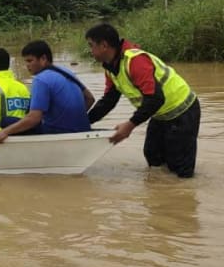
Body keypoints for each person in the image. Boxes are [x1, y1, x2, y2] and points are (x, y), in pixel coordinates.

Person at [85, 23, 200, 178]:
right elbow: (109, 101)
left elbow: (155, 98)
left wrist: (129, 125)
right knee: (152, 156)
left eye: (91, 46)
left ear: (104, 45)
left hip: (183, 111)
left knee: (181, 169)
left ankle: (182, 197)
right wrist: (84, 123)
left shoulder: (135, 61)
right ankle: (160, 196)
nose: (90, 51)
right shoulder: (110, 67)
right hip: (160, 114)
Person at [0, 40, 94, 142]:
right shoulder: (66, 72)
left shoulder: (41, 79)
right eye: (26, 61)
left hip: (59, 133)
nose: (27, 65)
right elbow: (90, 98)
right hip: (83, 129)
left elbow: (34, 118)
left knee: (6, 121)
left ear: (43, 59)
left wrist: (5, 132)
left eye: (30, 61)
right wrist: (71, 118)